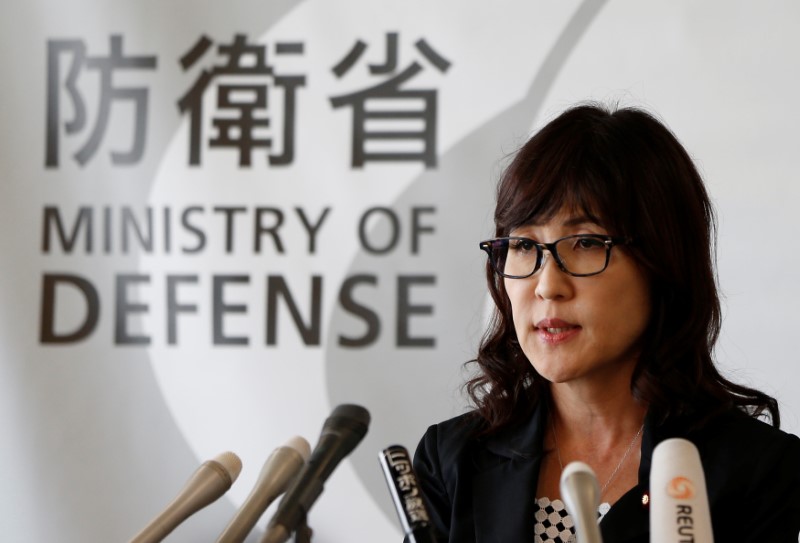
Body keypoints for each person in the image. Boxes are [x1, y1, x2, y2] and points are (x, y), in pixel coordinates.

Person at [411, 103, 800, 542]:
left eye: (585, 242)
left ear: (662, 262)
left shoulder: (753, 471)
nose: (547, 285)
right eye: (523, 244)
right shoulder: (452, 461)